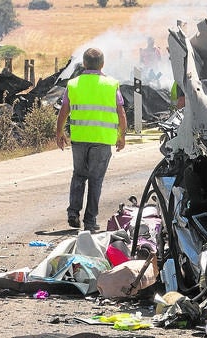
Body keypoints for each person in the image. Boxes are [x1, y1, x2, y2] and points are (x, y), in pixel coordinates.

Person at [56, 48, 127, 232]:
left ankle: (73, 213)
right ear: (102, 64)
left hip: (79, 139)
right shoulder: (111, 85)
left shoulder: (73, 84)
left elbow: (64, 110)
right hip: (103, 140)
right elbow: (121, 112)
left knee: (79, 176)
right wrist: (122, 135)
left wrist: (59, 132)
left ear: (84, 64)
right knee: (96, 180)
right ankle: (90, 220)